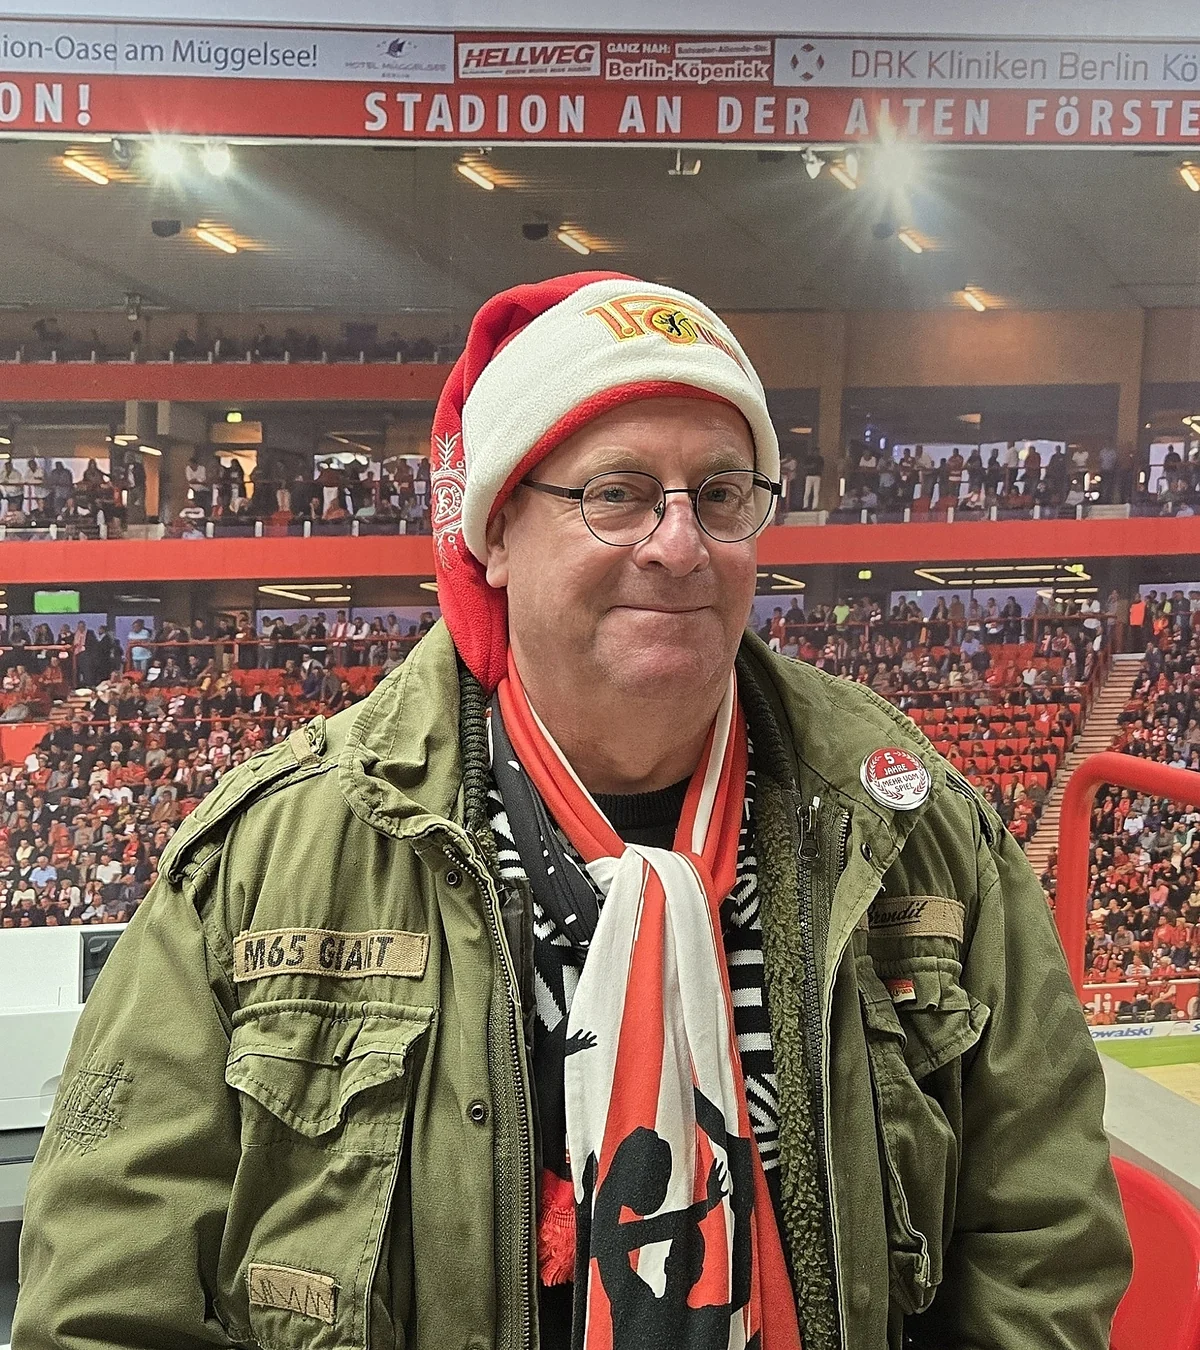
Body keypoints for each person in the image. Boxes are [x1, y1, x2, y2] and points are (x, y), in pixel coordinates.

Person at [14, 274, 1131, 1350]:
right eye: (617, 493)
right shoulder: (271, 856)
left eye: (722, 494)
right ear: (496, 532)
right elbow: (109, 1296)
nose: (679, 544)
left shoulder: (918, 832)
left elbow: (1043, 1246)